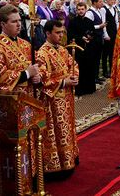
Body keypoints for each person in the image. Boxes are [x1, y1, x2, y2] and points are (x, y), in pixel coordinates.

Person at [36, 20, 79, 175]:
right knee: (57, 130)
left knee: (68, 128)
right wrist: (63, 82)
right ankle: (57, 165)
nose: (61, 36)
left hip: (66, 97)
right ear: (48, 33)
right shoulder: (42, 53)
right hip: (53, 100)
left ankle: (70, 156)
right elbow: (43, 80)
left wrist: (74, 77)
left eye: (62, 32)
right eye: (57, 33)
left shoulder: (62, 49)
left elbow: (72, 65)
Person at [0, 4, 41, 96]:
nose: (19, 24)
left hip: (29, 98)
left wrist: (38, 76)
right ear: (3, 24)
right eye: (14, 21)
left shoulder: (25, 44)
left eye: (19, 20)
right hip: (10, 100)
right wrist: (27, 74)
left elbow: (39, 63)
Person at [67, 2, 96, 96]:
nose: (80, 11)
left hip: (88, 49)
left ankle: (89, 88)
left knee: (89, 68)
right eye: (79, 9)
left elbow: (93, 33)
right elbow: (70, 35)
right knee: (79, 69)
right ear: (76, 10)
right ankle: (80, 89)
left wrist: (90, 37)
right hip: (78, 50)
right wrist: (81, 38)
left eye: (82, 9)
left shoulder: (89, 21)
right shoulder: (72, 22)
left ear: (85, 9)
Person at [85, 0, 107, 84]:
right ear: (94, 3)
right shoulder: (89, 13)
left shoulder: (98, 11)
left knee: (98, 58)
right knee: (93, 58)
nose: (102, 3)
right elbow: (88, 26)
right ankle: (92, 77)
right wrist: (99, 26)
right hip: (93, 39)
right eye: (100, 2)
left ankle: (97, 76)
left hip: (99, 37)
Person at [101, 0, 119, 79]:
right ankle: (105, 71)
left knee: (112, 52)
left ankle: (112, 69)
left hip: (114, 32)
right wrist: (105, 34)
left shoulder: (114, 8)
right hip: (107, 33)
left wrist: (118, 31)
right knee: (105, 53)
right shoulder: (104, 9)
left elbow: (116, 21)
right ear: (106, 0)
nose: (112, 1)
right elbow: (103, 22)